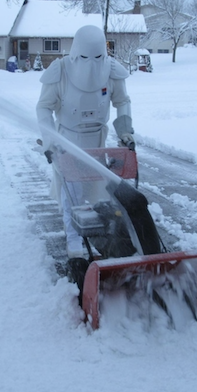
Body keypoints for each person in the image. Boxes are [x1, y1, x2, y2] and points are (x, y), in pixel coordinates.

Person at [36, 25, 135, 258]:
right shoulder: (59, 71)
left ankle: (107, 234)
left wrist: (125, 132)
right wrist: (51, 139)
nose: (92, 64)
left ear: (105, 51)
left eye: (98, 57)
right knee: (73, 191)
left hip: (99, 141)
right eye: (84, 57)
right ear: (75, 52)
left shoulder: (112, 71)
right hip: (67, 142)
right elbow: (43, 107)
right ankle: (74, 239)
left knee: (102, 191)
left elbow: (123, 101)